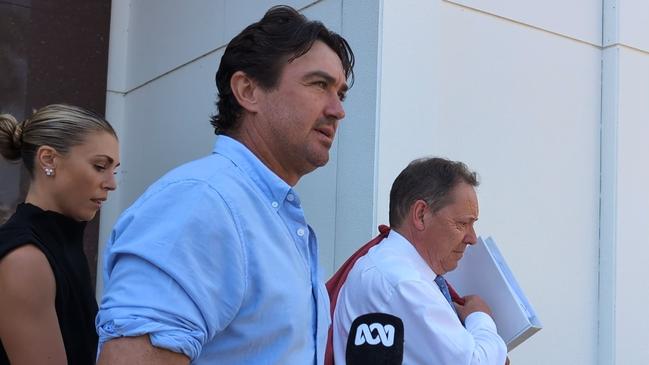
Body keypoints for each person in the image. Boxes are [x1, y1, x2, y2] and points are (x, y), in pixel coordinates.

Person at [95, 5, 354, 365]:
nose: (337, 109)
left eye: (341, 93)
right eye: (319, 85)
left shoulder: (264, 211)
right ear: (248, 90)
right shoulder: (201, 201)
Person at [330, 157, 508, 364]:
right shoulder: (403, 282)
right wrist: (479, 317)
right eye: (462, 224)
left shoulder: (393, 268)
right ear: (421, 215)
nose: (472, 238)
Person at [0, 104, 120, 364]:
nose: (112, 183)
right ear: (49, 159)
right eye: (100, 166)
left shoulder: (59, 243)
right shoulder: (25, 258)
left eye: (115, 170)